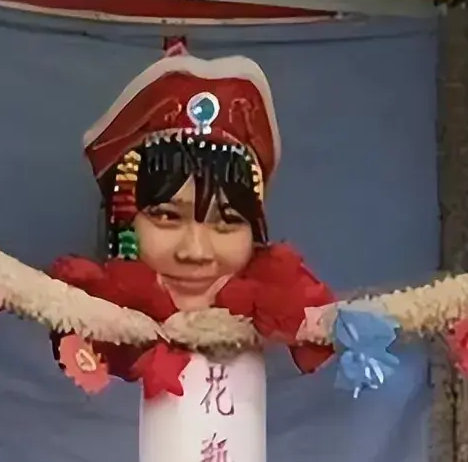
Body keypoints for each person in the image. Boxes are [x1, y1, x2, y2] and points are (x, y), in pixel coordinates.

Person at [47, 51, 335, 393]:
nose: (195, 251)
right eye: (167, 216)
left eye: (227, 221)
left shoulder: (313, 327)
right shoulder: (61, 318)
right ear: (123, 219)